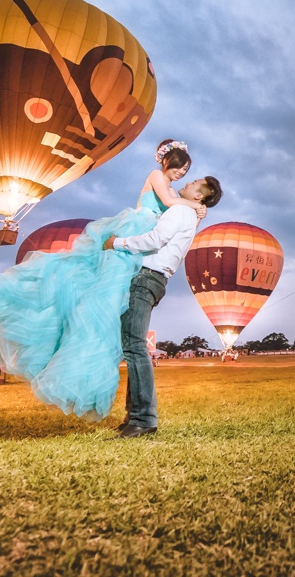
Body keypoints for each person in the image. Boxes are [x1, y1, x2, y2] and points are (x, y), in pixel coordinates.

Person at [0, 139, 209, 420]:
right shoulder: (158, 177)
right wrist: (197, 206)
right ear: (166, 160)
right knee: (108, 302)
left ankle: (139, 414)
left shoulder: (177, 198)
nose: (182, 172)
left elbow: (169, 222)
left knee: (119, 324)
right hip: (135, 235)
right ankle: (139, 414)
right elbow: (170, 204)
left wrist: (195, 207)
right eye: (181, 166)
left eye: (187, 170)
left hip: (141, 252)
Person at [103, 176, 223, 438]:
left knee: (134, 346)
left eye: (193, 182)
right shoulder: (190, 216)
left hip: (146, 276)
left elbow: (155, 240)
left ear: (199, 195)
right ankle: (133, 414)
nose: (188, 182)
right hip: (157, 280)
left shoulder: (180, 210)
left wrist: (117, 243)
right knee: (132, 345)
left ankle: (143, 419)